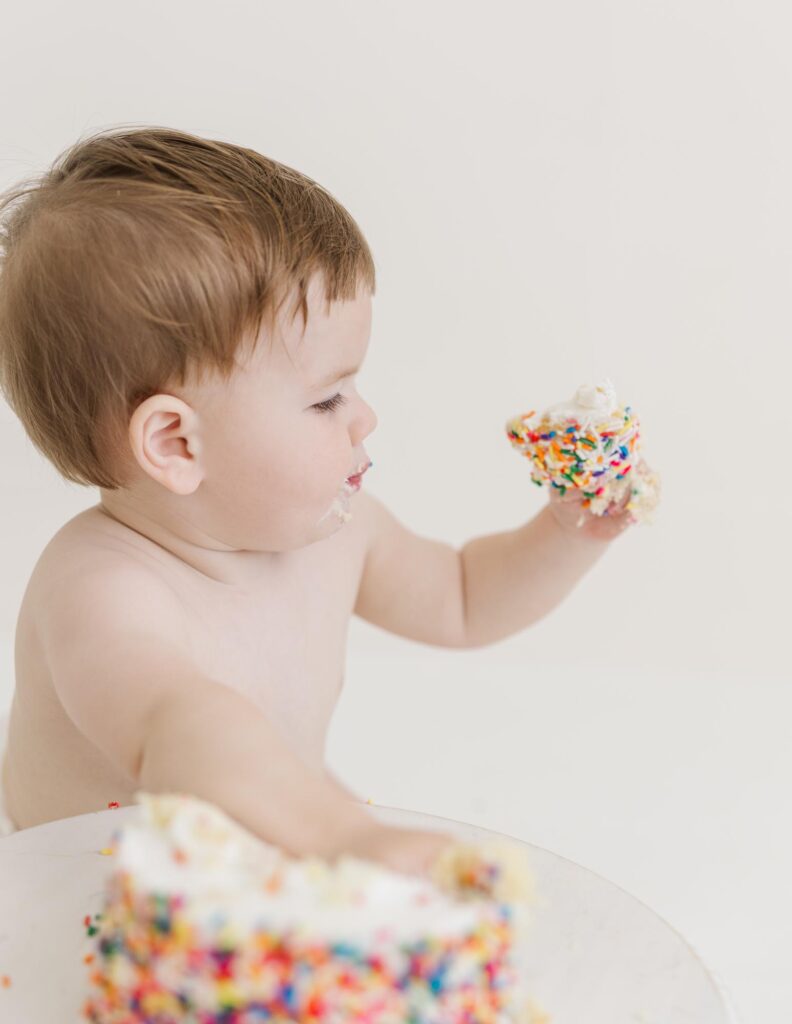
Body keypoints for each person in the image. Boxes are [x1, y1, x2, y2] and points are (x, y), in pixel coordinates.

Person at [0, 126, 633, 874]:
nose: (366, 417)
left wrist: (567, 532)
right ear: (176, 444)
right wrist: (339, 833)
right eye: (328, 399)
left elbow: (461, 597)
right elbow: (184, 728)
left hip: (268, 854)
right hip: (82, 897)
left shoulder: (335, 532)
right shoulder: (103, 590)